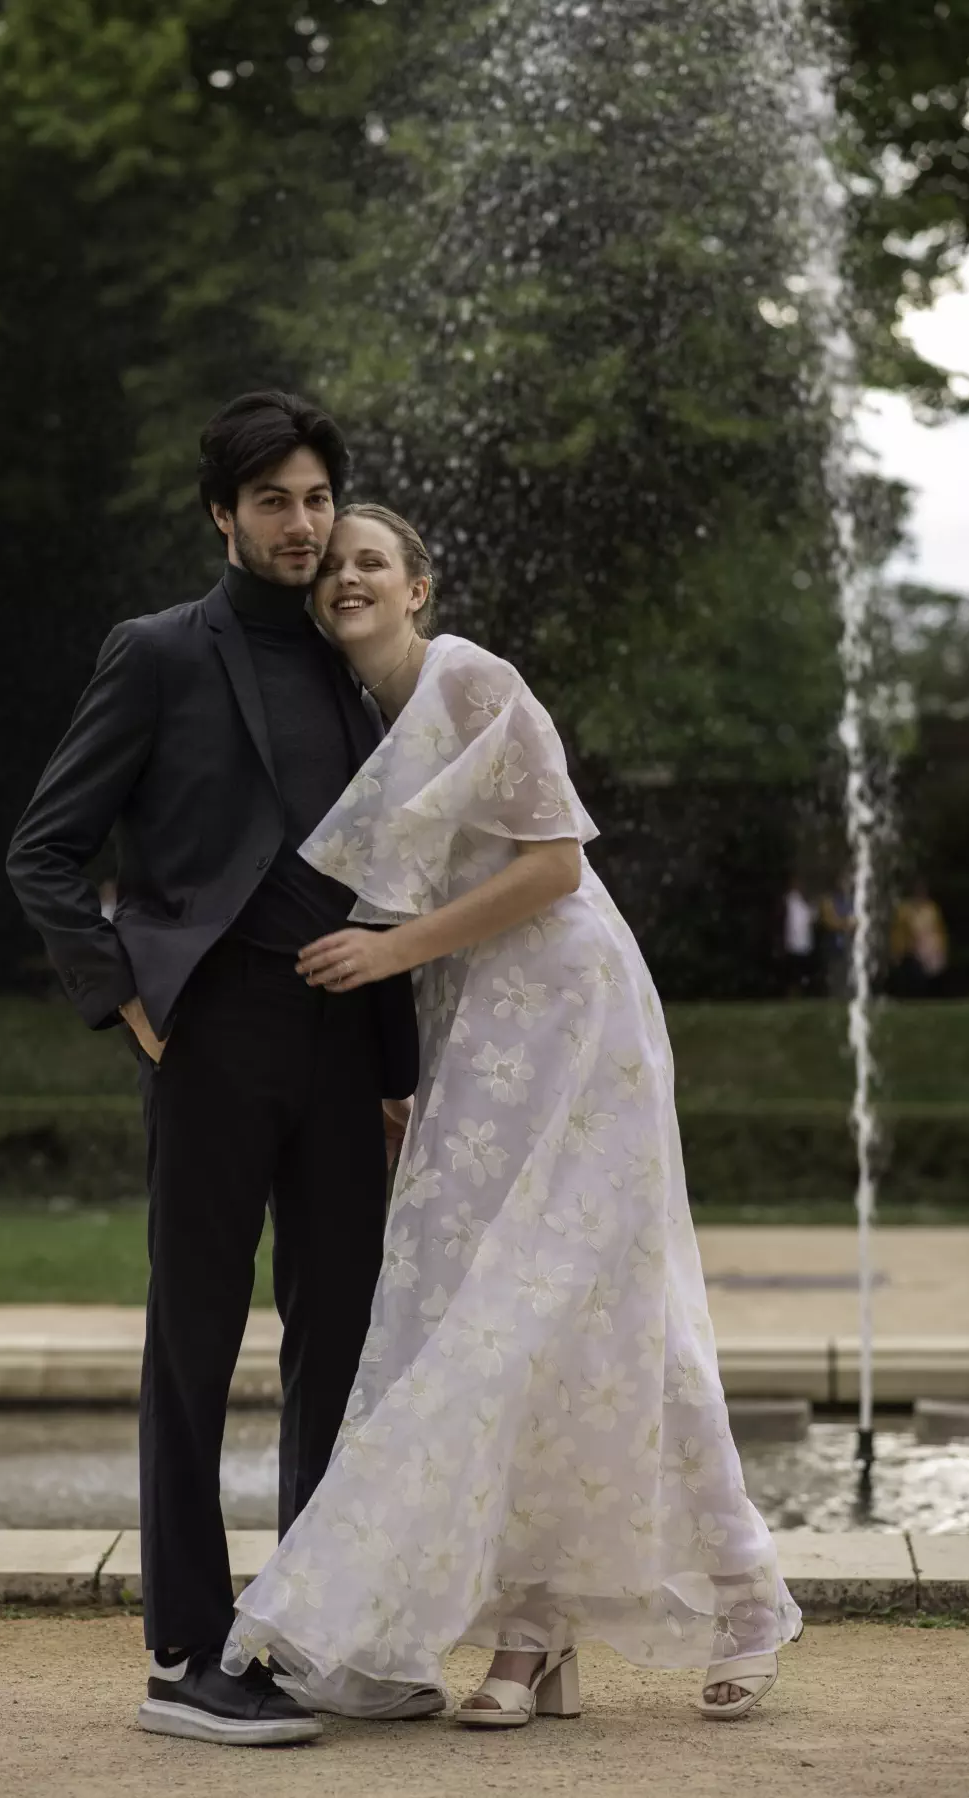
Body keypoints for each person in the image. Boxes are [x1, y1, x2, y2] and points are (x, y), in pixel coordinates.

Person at [222, 504, 802, 1726]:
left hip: (575, 1012)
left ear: (419, 585)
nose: (345, 579)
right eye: (330, 569)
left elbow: (551, 861)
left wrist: (384, 959)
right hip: (473, 1030)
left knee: (566, 1299)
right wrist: (405, 1061)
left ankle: (747, 1598)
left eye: (369, 561)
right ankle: (532, 1634)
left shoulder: (471, 676)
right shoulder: (362, 721)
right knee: (497, 1311)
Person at [6, 394, 420, 1747]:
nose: (303, 526)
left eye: (317, 500)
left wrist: (398, 1067)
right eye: (275, 503)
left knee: (340, 1341)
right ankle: (187, 1650)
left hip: (349, 1038)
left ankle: (304, 1630)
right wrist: (128, 996)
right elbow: (45, 850)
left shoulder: (355, 659)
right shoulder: (160, 653)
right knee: (193, 1342)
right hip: (212, 1029)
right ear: (221, 516)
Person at [890, 879, 949, 997]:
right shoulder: (905, 910)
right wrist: (897, 951)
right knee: (914, 979)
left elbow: (939, 930)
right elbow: (899, 932)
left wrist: (941, 948)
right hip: (911, 950)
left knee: (933, 981)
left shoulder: (931, 909)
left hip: (930, 950)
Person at [818, 873, 856, 998]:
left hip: (847, 945)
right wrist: (845, 923)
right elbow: (830, 922)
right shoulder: (828, 901)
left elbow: (855, 922)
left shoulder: (850, 901)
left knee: (847, 975)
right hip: (833, 945)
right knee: (834, 975)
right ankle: (834, 998)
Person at [780, 874, 817, 997]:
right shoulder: (790, 900)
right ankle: (792, 995)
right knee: (794, 974)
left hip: (804, 944)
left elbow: (811, 918)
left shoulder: (803, 903)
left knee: (802, 973)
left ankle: (801, 994)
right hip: (793, 944)